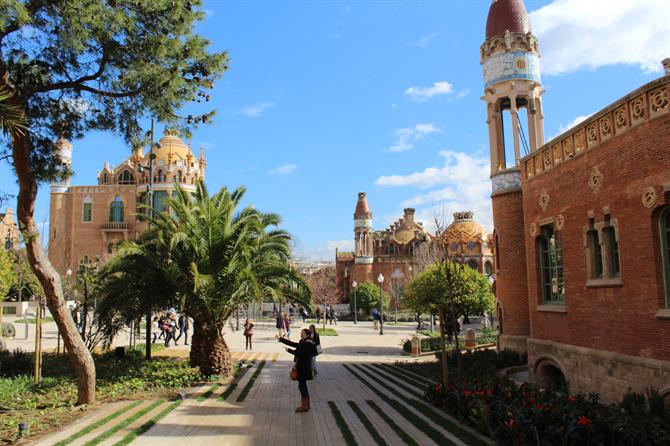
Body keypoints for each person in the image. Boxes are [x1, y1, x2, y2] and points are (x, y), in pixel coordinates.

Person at [279, 329, 317, 412]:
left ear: (307, 335)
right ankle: (306, 405)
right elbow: (294, 344)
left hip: (304, 367)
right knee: (302, 386)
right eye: (301, 333)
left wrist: (289, 350)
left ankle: (304, 406)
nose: (301, 334)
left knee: (302, 386)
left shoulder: (308, 344)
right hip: (301, 366)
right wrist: (281, 339)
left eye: (303, 333)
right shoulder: (303, 342)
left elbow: (300, 353)